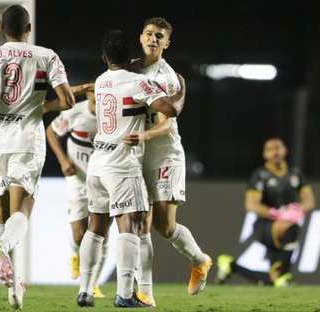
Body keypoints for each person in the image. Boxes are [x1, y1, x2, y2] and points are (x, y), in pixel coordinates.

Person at [0, 5, 75, 309]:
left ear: (0, 28)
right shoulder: (46, 56)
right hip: (27, 141)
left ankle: (11, 282)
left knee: (2, 213)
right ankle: (2, 247)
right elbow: (67, 100)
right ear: (29, 28)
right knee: (23, 209)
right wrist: (43, 107)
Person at [77, 29, 185, 308]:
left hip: (97, 162)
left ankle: (85, 290)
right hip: (122, 163)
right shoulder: (138, 82)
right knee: (132, 225)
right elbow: (169, 110)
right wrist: (179, 90)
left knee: (96, 227)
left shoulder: (101, 82)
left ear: (104, 58)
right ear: (131, 57)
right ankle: (125, 294)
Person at [128, 17, 211, 305]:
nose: (153, 39)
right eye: (149, 33)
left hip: (164, 153)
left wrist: (146, 135)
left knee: (164, 226)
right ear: (140, 37)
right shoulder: (129, 68)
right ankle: (145, 294)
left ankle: (200, 260)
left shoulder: (168, 78)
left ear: (166, 43)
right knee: (140, 223)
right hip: (136, 156)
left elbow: (167, 122)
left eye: (159, 36)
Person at [216, 138, 316, 287]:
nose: (275, 152)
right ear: (265, 154)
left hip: (284, 226)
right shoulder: (260, 175)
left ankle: (231, 265)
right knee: (292, 228)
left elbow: (309, 201)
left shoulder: (295, 173)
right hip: (265, 226)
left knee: (271, 281)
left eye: (278, 148)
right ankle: (283, 275)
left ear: (285, 150)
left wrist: (298, 209)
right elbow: (251, 205)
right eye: (270, 149)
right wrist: (276, 214)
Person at [46, 87, 107, 298]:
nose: (100, 100)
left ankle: (93, 284)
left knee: (101, 234)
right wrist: (63, 160)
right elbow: (51, 131)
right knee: (80, 235)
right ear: (89, 95)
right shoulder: (75, 112)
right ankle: (76, 254)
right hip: (77, 180)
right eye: (95, 95)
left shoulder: (112, 116)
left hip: (103, 181)